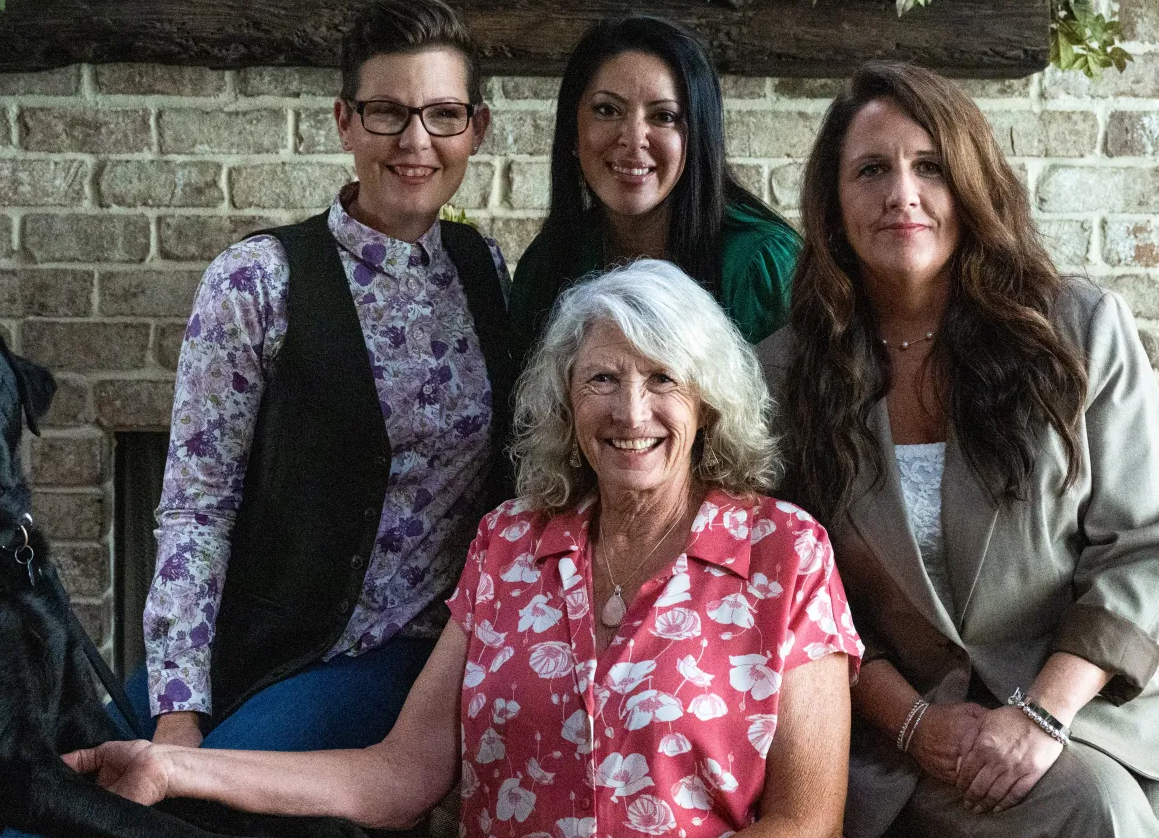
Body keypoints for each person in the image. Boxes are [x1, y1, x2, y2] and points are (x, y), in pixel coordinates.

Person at [67, 261, 865, 838]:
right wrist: (173, 767)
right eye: (602, 379)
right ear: (565, 399)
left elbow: (804, 820)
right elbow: (399, 775)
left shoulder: (786, 556)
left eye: (662, 379)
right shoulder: (510, 545)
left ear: (706, 399)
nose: (631, 410)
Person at [757, 61, 1159, 838]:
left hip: (1120, 706)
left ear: (973, 184)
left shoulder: (1077, 329)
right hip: (923, 735)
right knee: (1094, 813)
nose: (902, 194)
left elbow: (1138, 545)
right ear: (831, 202)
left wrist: (1042, 714)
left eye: (931, 167)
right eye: (872, 170)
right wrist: (916, 724)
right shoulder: (782, 376)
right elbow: (806, 604)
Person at [140, 0, 517, 755]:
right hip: (251, 640)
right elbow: (195, 505)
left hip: (400, 656)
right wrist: (177, 702)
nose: (416, 140)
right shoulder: (257, 280)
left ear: (474, 130)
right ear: (346, 120)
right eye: (387, 111)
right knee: (54, 805)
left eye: (443, 114)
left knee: (191, 808)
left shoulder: (486, 270)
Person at [507, 15, 799, 366]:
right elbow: (530, 418)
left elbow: (795, 418)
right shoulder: (547, 265)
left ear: (698, 136)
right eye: (607, 110)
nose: (632, 139)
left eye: (664, 116)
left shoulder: (759, 264)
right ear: (573, 129)